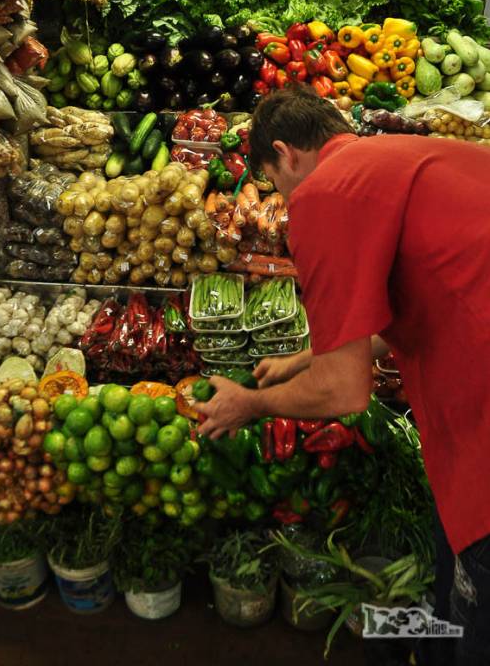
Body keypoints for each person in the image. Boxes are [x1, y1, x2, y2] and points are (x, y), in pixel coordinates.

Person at [195, 89, 490, 666]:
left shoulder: (326, 193)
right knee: (449, 569)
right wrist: (308, 357)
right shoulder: (409, 155)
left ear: (285, 154)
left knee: (479, 614)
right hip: (469, 393)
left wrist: (250, 403)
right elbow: (417, 298)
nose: (282, 200)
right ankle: (431, 641)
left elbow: (345, 392)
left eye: (275, 184)